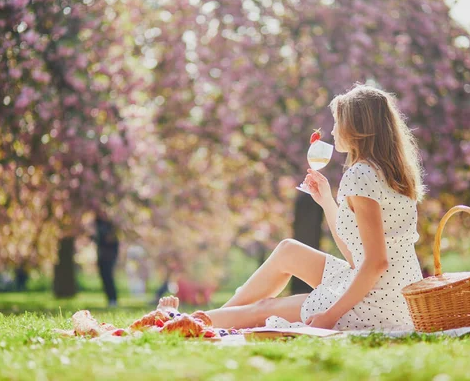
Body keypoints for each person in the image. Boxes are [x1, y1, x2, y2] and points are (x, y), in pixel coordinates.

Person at [160, 84, 425, 331]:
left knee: (264, 309)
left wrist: (329, 317)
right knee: (289, 250)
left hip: (375, 302)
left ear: (356, 127)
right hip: (397, 295)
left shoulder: (360, 175)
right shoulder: (394, 176)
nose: (333, 131)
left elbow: (375, 262)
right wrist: (326, 201)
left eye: (337, 123)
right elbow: (358, 255)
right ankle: (210, 320)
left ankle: (182, 324)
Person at [95, 214, 119, 307]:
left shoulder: (111, 225)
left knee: (108, 277)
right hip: (102, 254)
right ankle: (110, 299)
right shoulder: (99, 223)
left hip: (109, 255)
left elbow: (110, 240)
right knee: (104, 277)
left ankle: (113, 299)